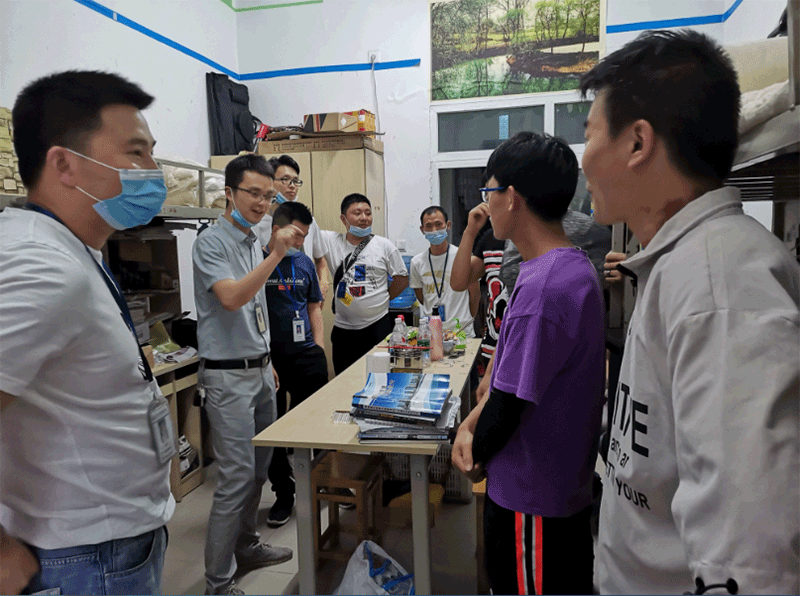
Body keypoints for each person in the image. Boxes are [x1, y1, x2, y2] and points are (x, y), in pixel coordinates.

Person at [580, 30, 799, 594]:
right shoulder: (676, 264)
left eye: (589, 133)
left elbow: (751, 560)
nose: (584, 160)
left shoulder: (720, 287)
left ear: (637, 143)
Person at [0, 70, 175, 595]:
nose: (154, 171)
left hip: (106, 542)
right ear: (64, 164)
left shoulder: (71, 249)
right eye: (136, 153)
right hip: (83, 558)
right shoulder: (42, 265)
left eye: (152, 153)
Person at [452, 132, 606, 595]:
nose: (488, 204)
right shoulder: (563, 266)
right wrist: (471, 421)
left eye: (489, 192)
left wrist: (473, 446)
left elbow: (509, 402)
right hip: (557, 485)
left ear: (512, 197)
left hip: (532, 497)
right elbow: (512, 377)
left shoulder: (545, 288)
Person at [192, 154, 299, 595]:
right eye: (253, 193)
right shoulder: (211, 243)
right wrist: (276, 256)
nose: (262, 203)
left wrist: (266, 359)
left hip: (258, 371)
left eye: (268, 196)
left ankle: (247, 546)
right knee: (235, 479)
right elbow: (233, 298)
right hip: (226, 378)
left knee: (258, 471)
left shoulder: (252, 240)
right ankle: (218, 584)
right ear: (229, 193)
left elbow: (255, 309)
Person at [262, 201, 328, 527]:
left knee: (316, 425)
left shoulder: (303, 263)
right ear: (277, 230)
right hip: (270, 358)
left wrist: (319, 347)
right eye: (297, 235)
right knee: (273, 431)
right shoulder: (258, 261)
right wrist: (264, 359)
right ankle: (284, 495)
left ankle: (322, 483)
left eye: (305, 235)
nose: (301, 242)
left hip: (306, 354)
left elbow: (314, 305)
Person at [318, 193, 408, 374]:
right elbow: (307, 227)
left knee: (380, 377)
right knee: (346, 379)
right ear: (343, 219)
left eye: (368, 213)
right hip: (343, 331)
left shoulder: (384, 245)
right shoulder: (331, 241)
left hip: (378, 326)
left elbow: (402, 279)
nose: (364, 218)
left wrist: (383, 298)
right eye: (357, 213)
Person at [252, 154, 329, 299]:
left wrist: (323, 284)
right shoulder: (257, 223)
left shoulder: (308, 221)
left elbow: (320, 260)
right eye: (285, 179)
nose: (292, 185)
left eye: (295, 181)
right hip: (272, 297)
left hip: (303, 297)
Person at [450, 208, 507, 384]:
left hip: (528, 349)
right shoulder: (491, 238)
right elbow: (458, 283)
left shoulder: (538, 237)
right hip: (492, 346)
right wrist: (470, 231)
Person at [409, 206, 478, 335]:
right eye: (428, 226)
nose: (434, 230)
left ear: (448, 225)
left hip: (462, 331)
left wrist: (469, 320)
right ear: (422, 230)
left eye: (438, 224)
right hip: (433, 332)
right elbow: (422, 297)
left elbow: (475, 294)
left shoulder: (463, 257)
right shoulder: (416, 262)